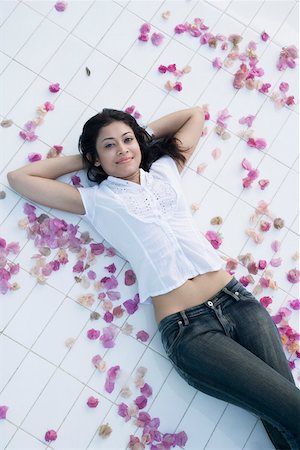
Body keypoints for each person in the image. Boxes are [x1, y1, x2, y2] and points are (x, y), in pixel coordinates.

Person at [7, 107, 300, 450]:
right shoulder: (95, 200)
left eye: (128, 140)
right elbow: (19, 178)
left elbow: (194, 115)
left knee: (284, 416)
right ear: (96, 159)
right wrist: (82, 159)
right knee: (291, 409)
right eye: (109, 146)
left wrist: (141, 136)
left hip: (238, 302)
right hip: (189, 330)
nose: (123, 150)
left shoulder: (165, 170)